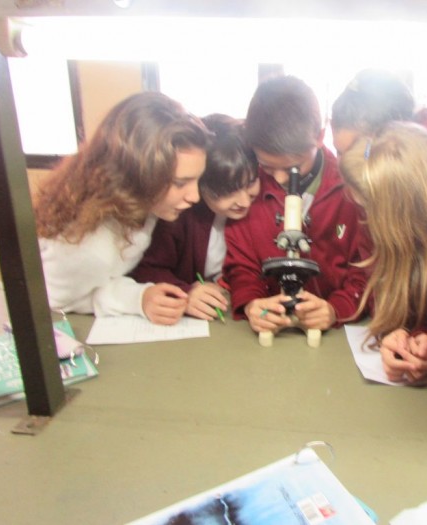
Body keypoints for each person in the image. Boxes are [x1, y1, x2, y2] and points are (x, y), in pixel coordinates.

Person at [34, 92, 209, 325]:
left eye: (197, 179)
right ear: (136, 174)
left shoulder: (143, 204)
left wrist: (142, 296)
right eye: (179, 183)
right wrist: (135, 300)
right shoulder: (85, 247)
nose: (194, 196)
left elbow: (112, 278)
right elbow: (56, 301)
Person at [223, 75, 368, 335]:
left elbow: (366, 270)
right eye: (267, 166)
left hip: (336, 333)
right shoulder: (249, 189)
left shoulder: (351, 190)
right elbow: (242, 265)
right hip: (273, 327)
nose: (280, 179)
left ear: (320, 136)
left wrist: (336, 308)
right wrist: (252, 303)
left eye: (293, 167)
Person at [339, 121, 427, 382]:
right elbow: (381, 290)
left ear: (402, 216)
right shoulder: (373, 224)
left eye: (369, 207)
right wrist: (398, 334)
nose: (365, 217)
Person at [131, 114, 260, 322]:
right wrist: (186, 291)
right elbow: (147, 268)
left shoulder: (262, 207)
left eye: (251, 183)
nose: (244, 201)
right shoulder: (176, 216)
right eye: (228, 191)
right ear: (200, 183)